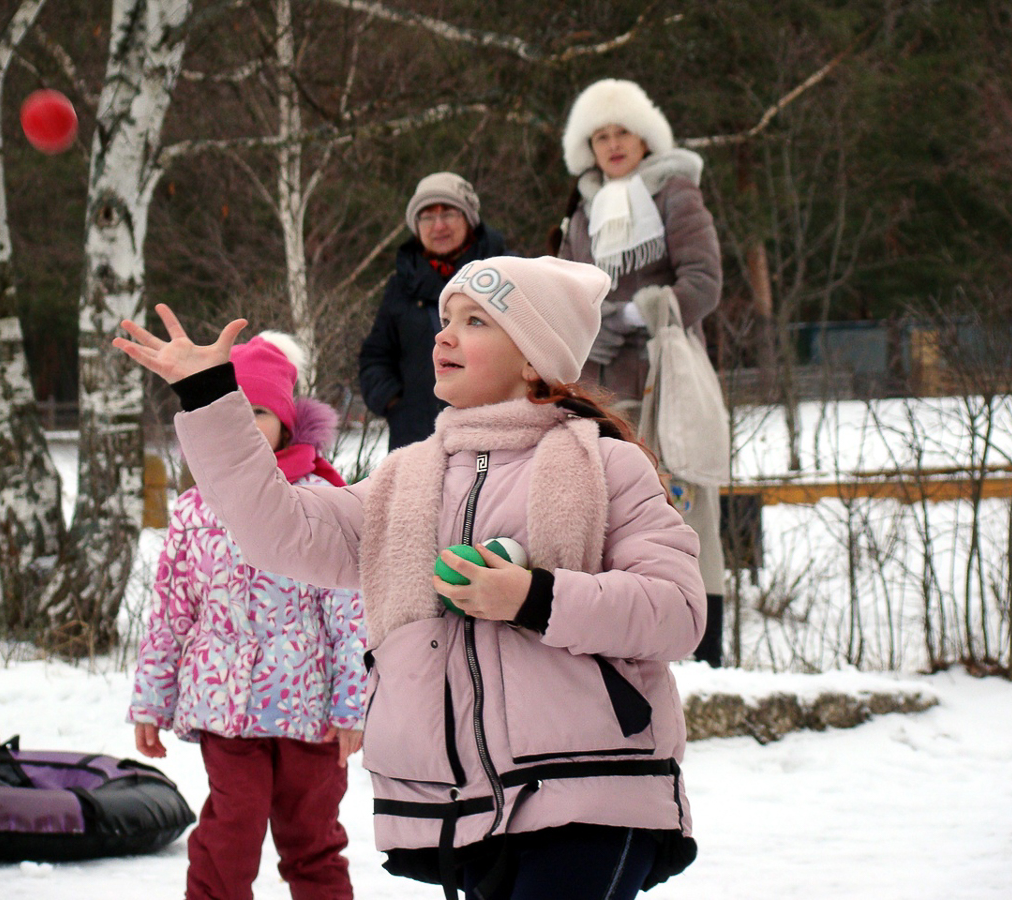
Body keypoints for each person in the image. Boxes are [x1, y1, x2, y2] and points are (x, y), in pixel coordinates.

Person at [114, 255, 706, 900]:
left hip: (588, 792)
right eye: (446, 318)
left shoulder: (607, 466)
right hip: (465, 808)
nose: (443, 334)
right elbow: (279, 531)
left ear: (535, 358)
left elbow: (676, 611)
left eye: (476, 321)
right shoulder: (403, 482)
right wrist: (210, 399)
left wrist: (532, 596)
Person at [127, 332, 368, 900]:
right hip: (225, 711)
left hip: (311, 714)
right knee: (229, 835)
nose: (247, 424)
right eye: (234, 410)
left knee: (312, 838)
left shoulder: (319, 500)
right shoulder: (193, 509)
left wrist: (352, 704)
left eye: (257, 411)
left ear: (286, 420)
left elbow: (349, 614)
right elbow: (170, 612)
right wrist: (151, 698)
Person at [553, 78, 728, 668]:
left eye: (621, 131)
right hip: (602, 386)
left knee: (685, 508)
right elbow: (571, 294)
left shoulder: (677, 193)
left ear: (645, 135)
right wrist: (595, 323)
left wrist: (642, 310)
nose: (612, 144)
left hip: (666, 382)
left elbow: (703, 282)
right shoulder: (581, 212)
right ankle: (626, 639)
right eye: (599, 136)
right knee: (611, 513)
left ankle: (702, 647)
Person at [359, 172, 507, 450]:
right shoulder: (400, 285)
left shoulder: (506, 274)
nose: (438, 225)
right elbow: (375, 356)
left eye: (448, 213)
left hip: (494, 434)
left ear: (469, 220)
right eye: (427, 216)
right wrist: (395, 402)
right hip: (417, 438)